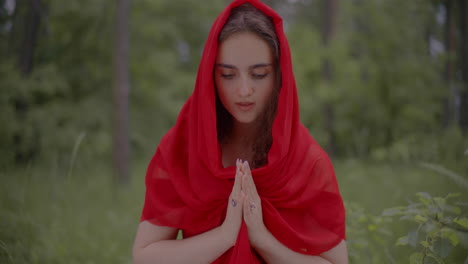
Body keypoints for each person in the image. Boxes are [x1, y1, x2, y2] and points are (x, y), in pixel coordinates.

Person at [132, 0, 348, 263]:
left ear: (279, 75)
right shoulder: (182, 149)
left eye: (258, 74)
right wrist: (224, 236)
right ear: (210, 76)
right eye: (228, 75)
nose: (244, 90)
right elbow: (145, 255)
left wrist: (262, 239)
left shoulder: (307, 160)